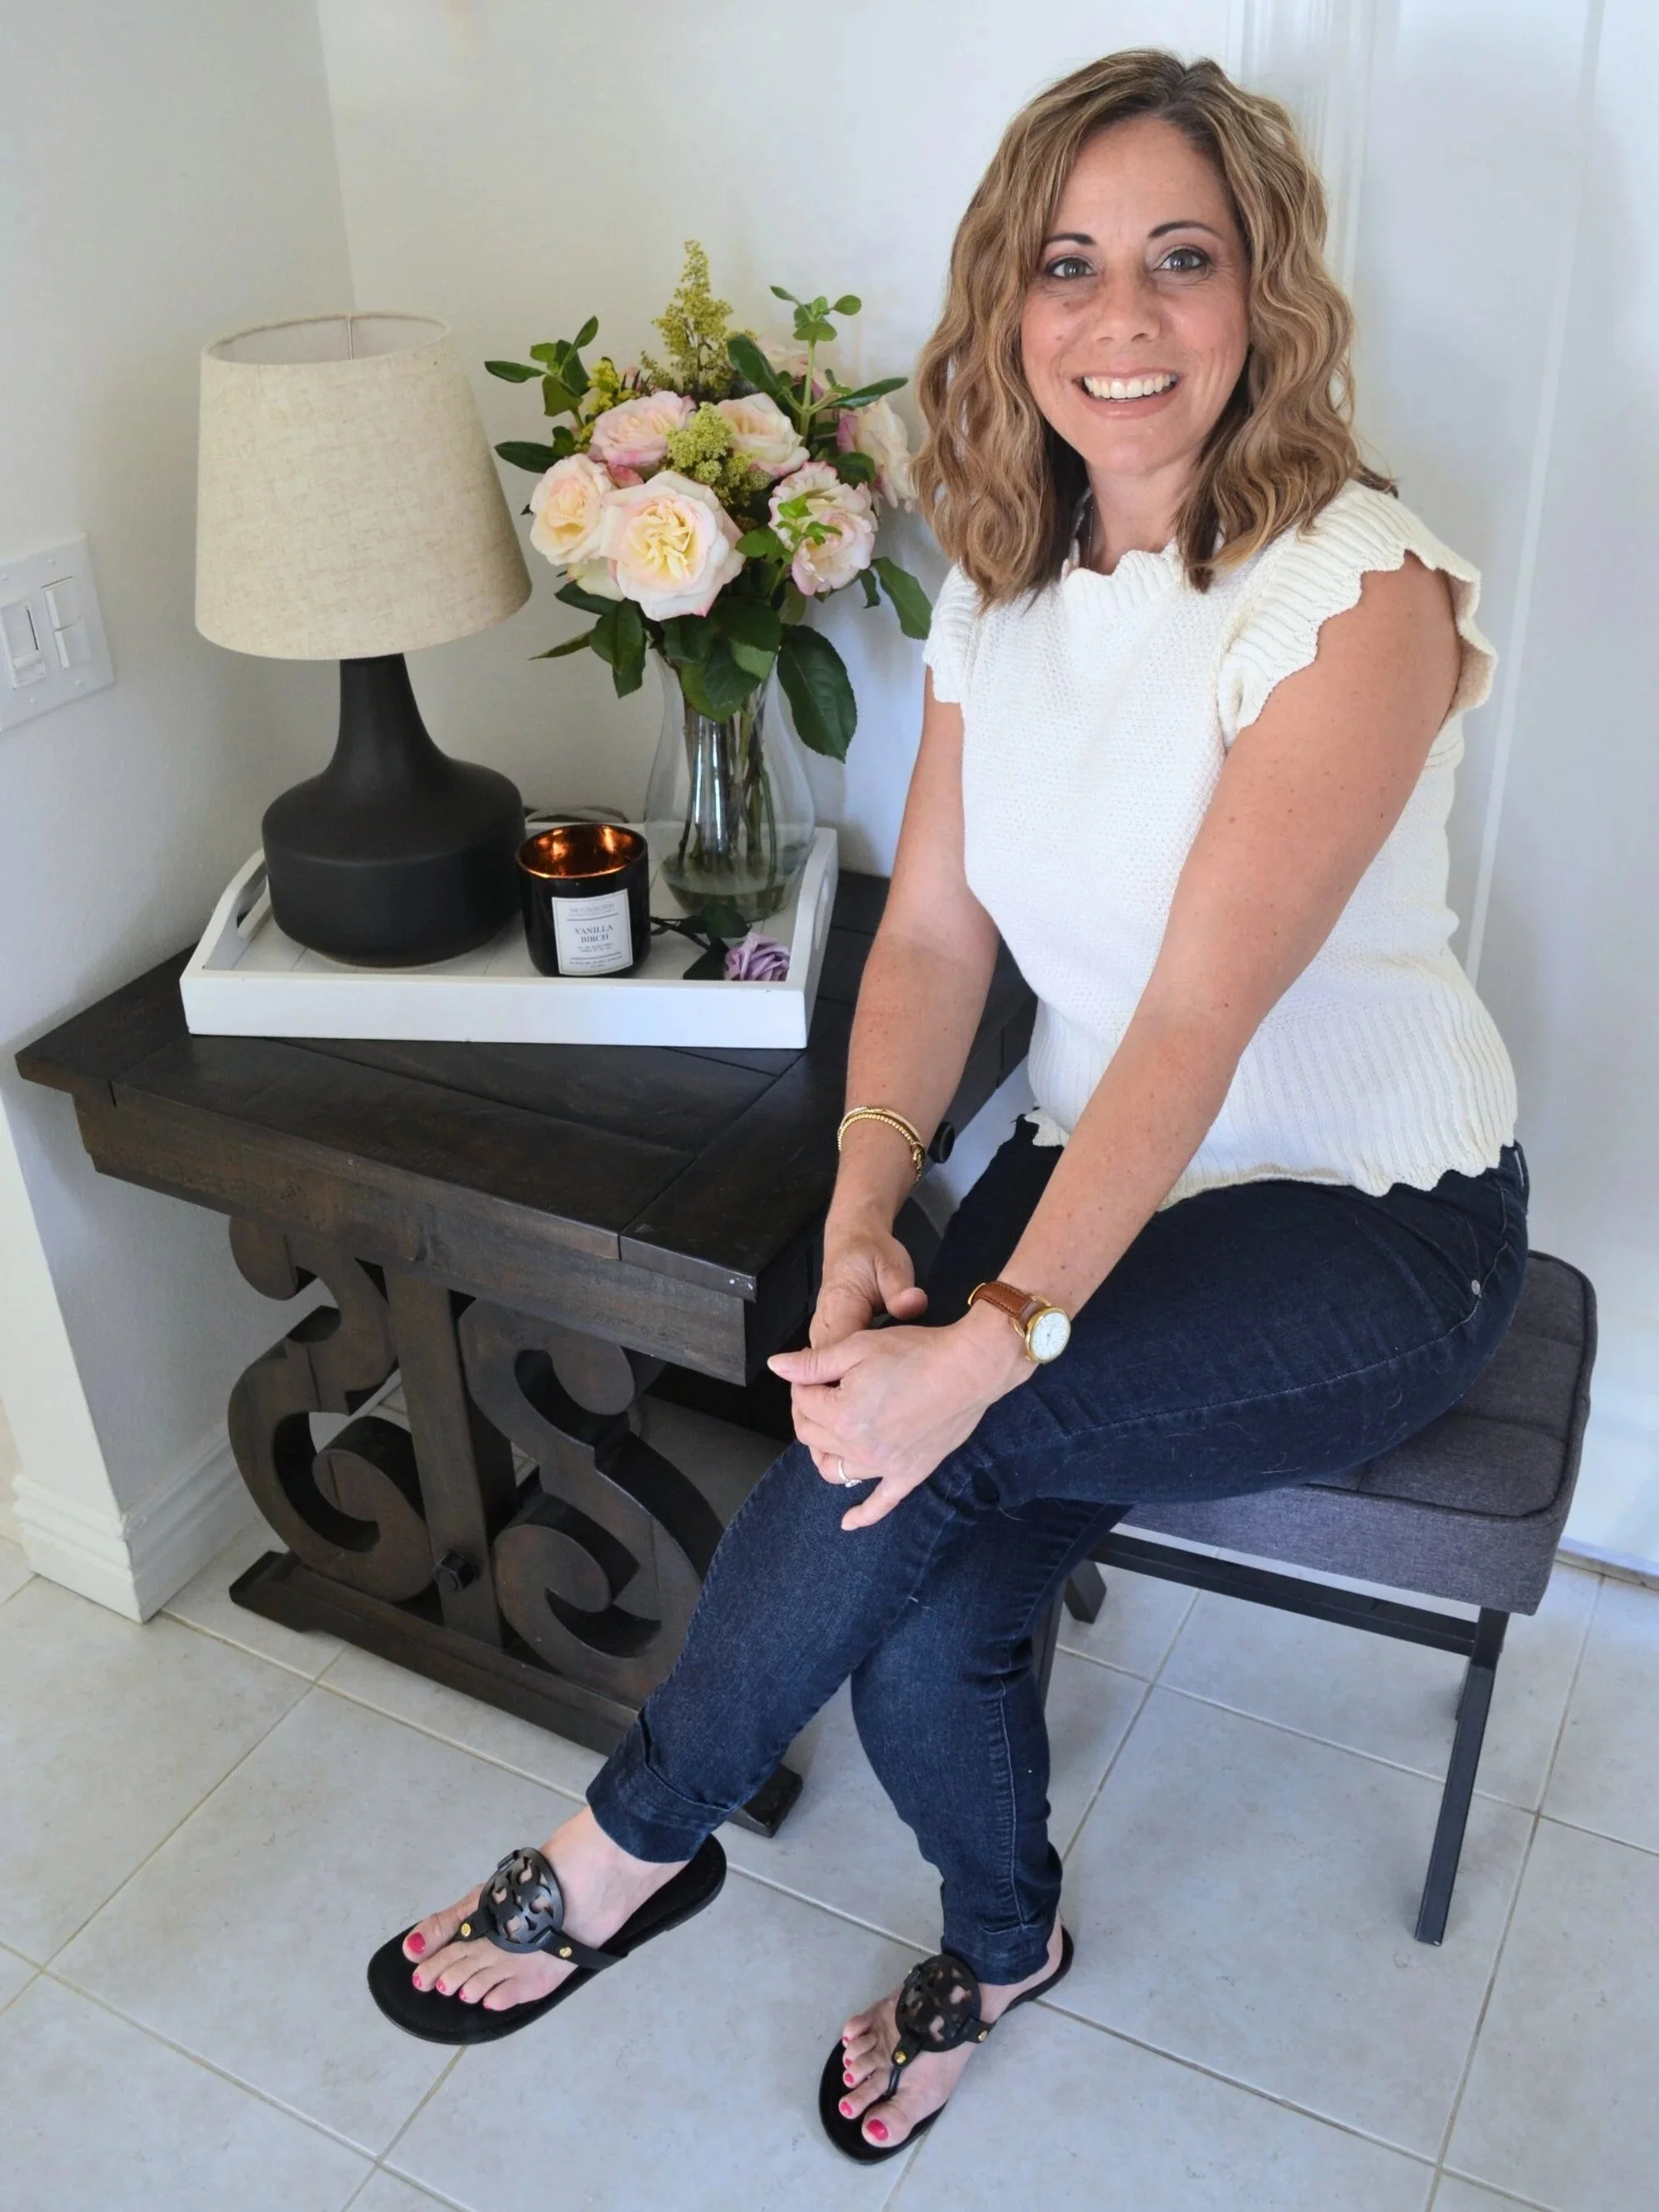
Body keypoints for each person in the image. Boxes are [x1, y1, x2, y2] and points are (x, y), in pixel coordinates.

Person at [370, 47, 1525, 2163]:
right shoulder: (1002, 588)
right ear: (1009, 302)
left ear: (1262, 293)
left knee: (932, 1463)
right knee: (927, 1579)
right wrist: (863, 1207)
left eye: (1182, 261)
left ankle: (634, 1841)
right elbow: (929, 948)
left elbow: (1196, 1013)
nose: (1122, 318)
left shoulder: (1351, 589)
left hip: (1368, 1218)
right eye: (1069, 265)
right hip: (1109, 1186)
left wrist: (987, 1336)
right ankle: (1003, 1952)